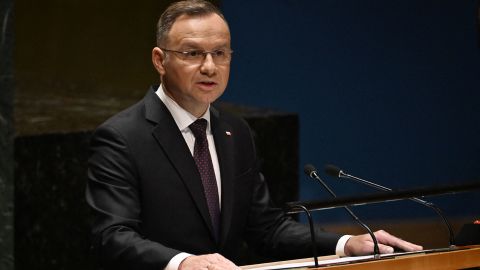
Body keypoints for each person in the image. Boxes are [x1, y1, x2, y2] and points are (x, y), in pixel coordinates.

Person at [85, 1, 422, 269]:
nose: (209, 66)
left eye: (220, 53)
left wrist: (345, 244)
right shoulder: (122, 137)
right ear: (160, 60)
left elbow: (267, 228)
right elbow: (111, 236)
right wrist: (183, 263)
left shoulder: (235, 132)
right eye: (192, 53)